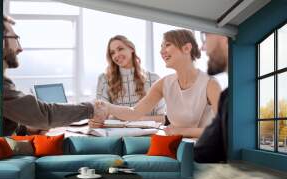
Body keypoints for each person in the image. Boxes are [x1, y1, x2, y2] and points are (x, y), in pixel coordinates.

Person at [92, 29, 222, 138]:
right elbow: (134, 112)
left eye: (167, 45)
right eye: (161, 46)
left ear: (187, 48)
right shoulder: (164, 83)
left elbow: (222, 130)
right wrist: (108, 107)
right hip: (175, 148)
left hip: (202, 153)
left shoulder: (210, 85)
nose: (161, 51)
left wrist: (180, 131)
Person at [2, 16, 107, 136]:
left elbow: (5, 122)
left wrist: (26, 130)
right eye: (16, 38)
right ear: (1, 40)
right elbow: (44, 114)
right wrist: (91, 108)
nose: (20, 48)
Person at [96, 35, 166, 122]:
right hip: (117, 133)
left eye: (120, 49)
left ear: (131, 49)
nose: (116, 55)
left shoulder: (154, 79)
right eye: (112, 53)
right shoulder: (104, 79)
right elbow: (100, 114)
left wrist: (135, 118)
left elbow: (163, 118)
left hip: (147, 134)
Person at [194, 32, 229, 163]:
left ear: (225, 38)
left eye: (205, 37)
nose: (203, 48)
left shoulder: (232, 98)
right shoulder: (227, 97)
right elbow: (204, 151)